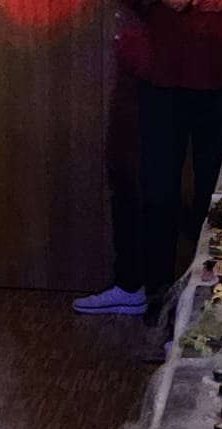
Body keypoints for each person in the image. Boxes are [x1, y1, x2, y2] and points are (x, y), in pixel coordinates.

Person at [121, 0, 222, 337]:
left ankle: (216, 305)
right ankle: (158, 305)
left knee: (219, 200)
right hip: (162, 69)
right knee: (158, 195)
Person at [72, 17, 146, 319]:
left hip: (159, 76)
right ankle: (132, 284)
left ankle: (137, 287)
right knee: (125, 177)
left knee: (134, 180)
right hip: (140, 68)